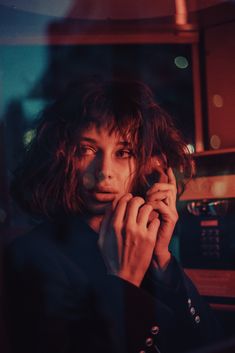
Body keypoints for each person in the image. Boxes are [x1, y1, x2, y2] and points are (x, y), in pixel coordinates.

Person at [4, 78, 221, 353]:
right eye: (87, 150)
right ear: (62, 157)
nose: (104, 170)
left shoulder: (147, 248)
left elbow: (212, 343)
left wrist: (162, 260)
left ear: (148, 165)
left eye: (124, 152)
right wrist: (124, 282)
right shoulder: (32, 255)